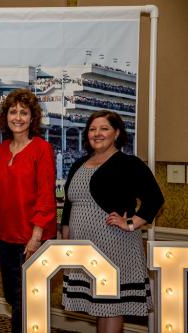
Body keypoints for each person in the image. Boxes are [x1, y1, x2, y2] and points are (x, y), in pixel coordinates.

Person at [61, 110, 164, 333]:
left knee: (112, 307)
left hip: (115, 244)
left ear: (116, 133)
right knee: (101, 306)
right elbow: (69, 207)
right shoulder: (79, 164)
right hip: (84, 248)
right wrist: (65, 242)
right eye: (92, 129)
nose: (97, 133)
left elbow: (155, 199)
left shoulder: (129, 163)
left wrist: (130, 223)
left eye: (104, 128)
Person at [0, 88, 57, 333]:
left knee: (27, 301)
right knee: (13, 297)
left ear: (32, 118)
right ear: (5, 116)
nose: (18, 117)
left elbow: (46, 195)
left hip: (32, 238)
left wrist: (36, 236)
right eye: (13, 112)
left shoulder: (41, 149)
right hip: (7, 236)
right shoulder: (1, 149)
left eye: (24, 113)